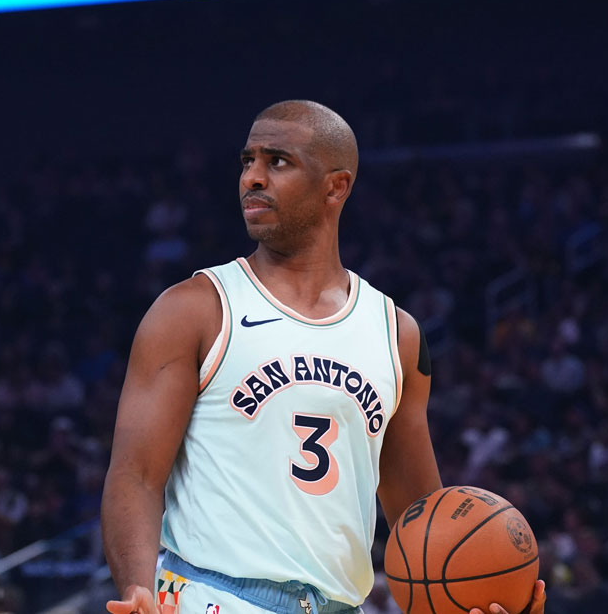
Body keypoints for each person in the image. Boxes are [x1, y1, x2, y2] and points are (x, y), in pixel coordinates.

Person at [102, 101, 545, 614]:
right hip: (212, 596)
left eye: (278, 162)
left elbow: (421, 519)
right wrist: (136, 587)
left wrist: (474, 597)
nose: (253, 178)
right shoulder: (194, 309)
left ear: (336, 186)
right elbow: (134, 474)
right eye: (248, 161)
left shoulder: (395, 333)